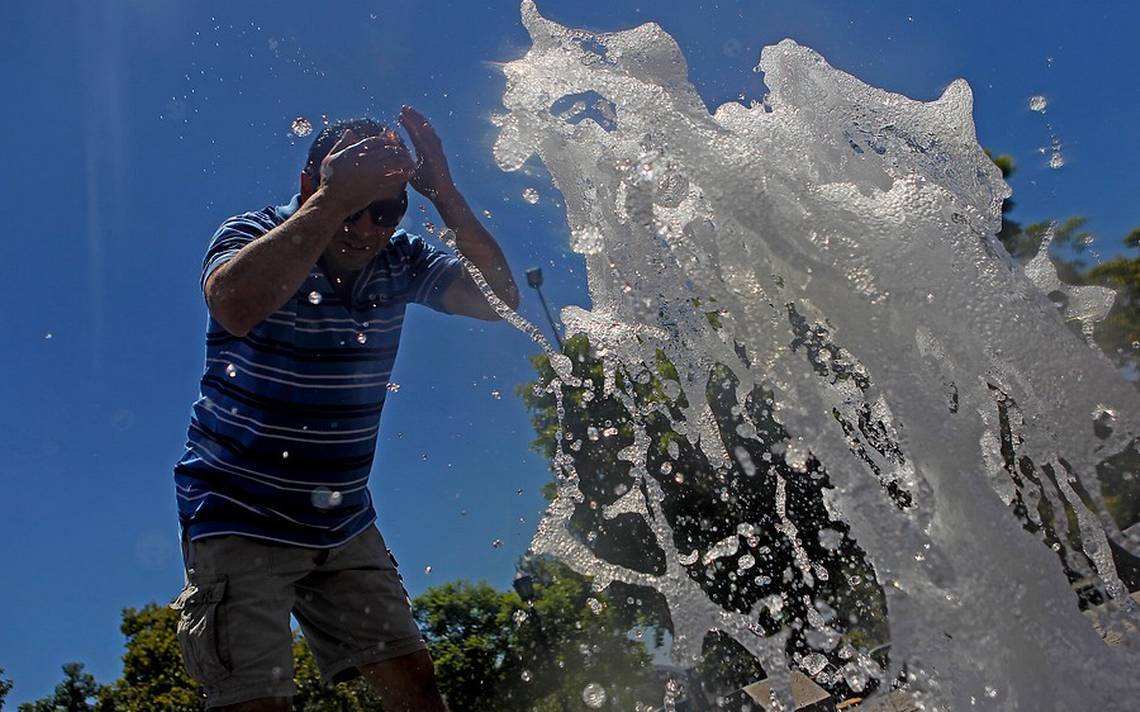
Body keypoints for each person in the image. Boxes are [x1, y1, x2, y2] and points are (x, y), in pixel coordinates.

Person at [169, 106, 519, 712]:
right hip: (237, 511)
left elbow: (499, 301)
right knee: (254, 700)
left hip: (343, 518)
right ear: (310, 186)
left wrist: (444, 194)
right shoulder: (253, 234)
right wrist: (332, 202)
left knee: (415, 685)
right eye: (351, 207)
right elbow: (233, 304)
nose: (363, 228)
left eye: (384, 211)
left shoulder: (400, 258)